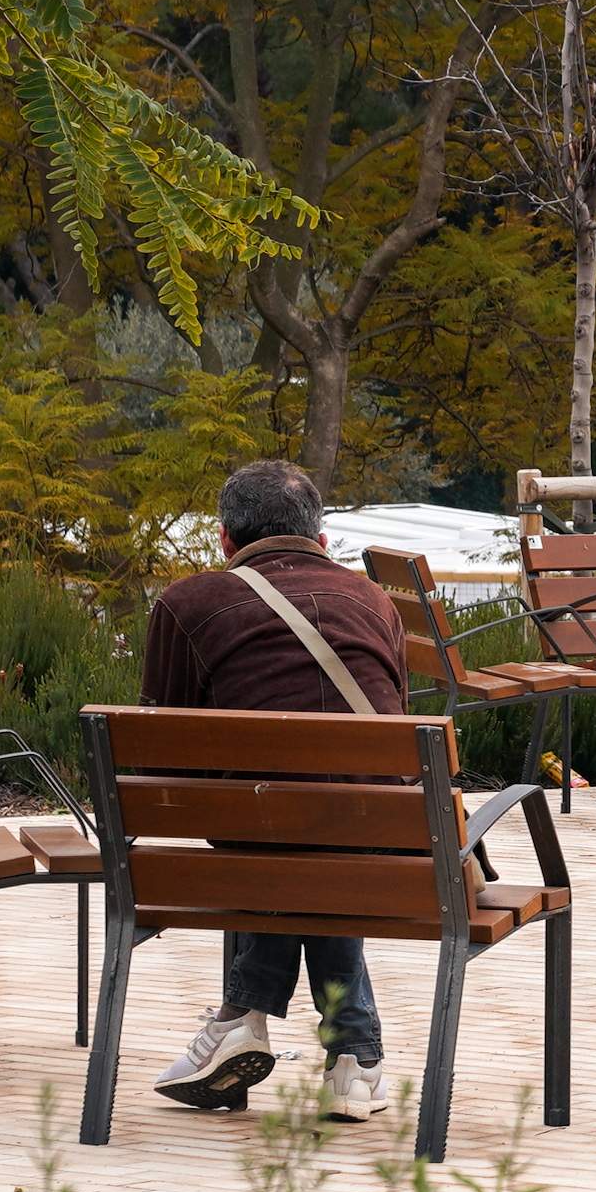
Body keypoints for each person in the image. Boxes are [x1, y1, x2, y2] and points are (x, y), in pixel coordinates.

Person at [138, 456, 414, 1122]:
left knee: (273, 828)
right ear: (322, 540)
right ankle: (354, 1055)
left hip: (249, 844)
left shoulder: (185, 602)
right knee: (320, 830)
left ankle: (243, 1018)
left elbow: (158, 752)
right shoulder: (375, 600)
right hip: (382, 843)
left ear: (225, 541)